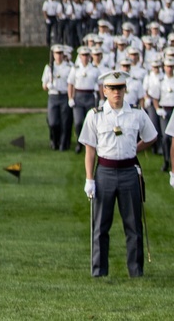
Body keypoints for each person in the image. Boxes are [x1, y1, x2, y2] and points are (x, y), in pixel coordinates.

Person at [80, 68, 157, 279]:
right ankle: (99, 271)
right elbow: (90, 149)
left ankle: (136, 271)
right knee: (101, 225)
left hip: (129, 172)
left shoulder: (137, 113)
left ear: (125, 89)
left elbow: (151, 137)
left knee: (133, 225)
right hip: (104, 172)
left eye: (120, 88)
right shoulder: (95, 116)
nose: (117, 92)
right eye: (112, 88)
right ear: (104, 91)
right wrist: (89, 179)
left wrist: (135, 149)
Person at [42, 44, 73, 151]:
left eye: (60, 53)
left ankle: (63, 144)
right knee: (53, 122)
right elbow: (44, 85)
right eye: (56, 53)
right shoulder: (49, 67)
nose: (58, 56)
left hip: (64, 95)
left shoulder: (68, 67)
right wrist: (48, 85)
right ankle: (54, 140)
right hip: (53, 95)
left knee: (65, 122)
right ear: (53, 55)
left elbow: (71, 83)